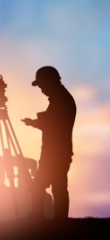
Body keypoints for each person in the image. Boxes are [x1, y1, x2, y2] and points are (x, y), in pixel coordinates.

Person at [22, 66, 76, 220]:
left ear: (50, 81)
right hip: (56, 153)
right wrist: (35, 122)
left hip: (56, 154)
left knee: (44, 186)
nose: (41, 89)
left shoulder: (62, 100)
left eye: (42, 85)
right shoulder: (61, 99)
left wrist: (34, 123)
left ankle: (42, 218)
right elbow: (54, 123)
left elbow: (54, 125)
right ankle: (55, 220)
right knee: (56, 187)